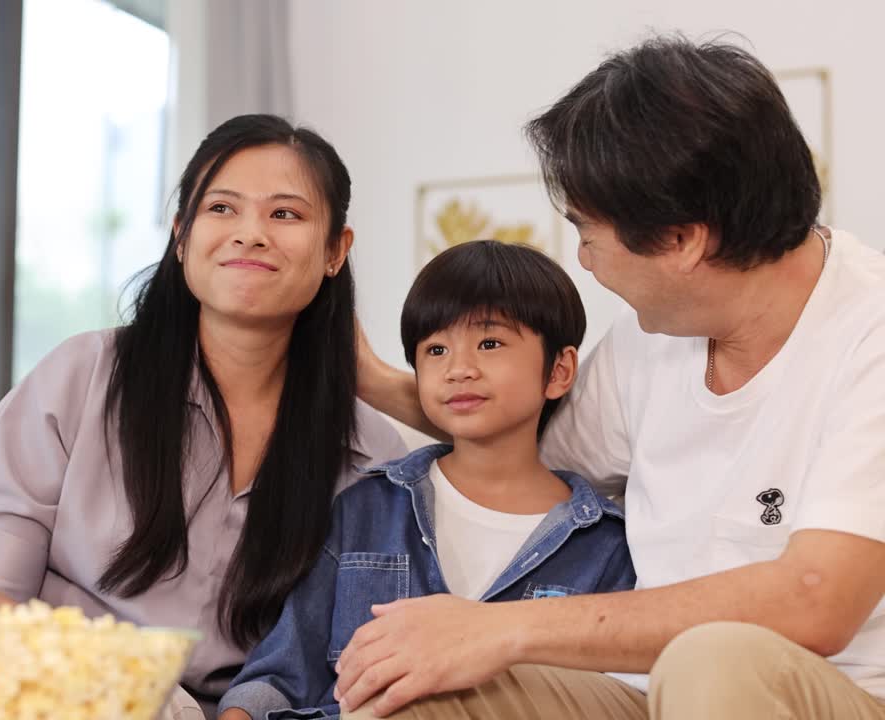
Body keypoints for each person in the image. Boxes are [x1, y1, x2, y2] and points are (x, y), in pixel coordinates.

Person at [345, 35, 885, 720]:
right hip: (649, 697)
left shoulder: (870, 331)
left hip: (838, 695)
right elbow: (521, 443)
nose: (586, 261)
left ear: (683, 240)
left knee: (711, 660)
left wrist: (500, 629)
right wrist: (371, 379)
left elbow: (817, 599)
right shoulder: (649, 340)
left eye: (588, 232)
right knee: (415, 688)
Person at [0, 113, 406, 720]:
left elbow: (342, 657)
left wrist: (389, 386)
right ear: (182, 236)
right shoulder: (80, 377)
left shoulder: (373, 453)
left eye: (285, 214)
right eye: (221, 209)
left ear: (334, 251)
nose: (251, 234)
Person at [217, 241, 635, 720]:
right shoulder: (365, 509)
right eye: (435, 349)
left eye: (490, 343)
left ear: (559, 371)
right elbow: (280, 673)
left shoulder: (606, 546)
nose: (458, 369)